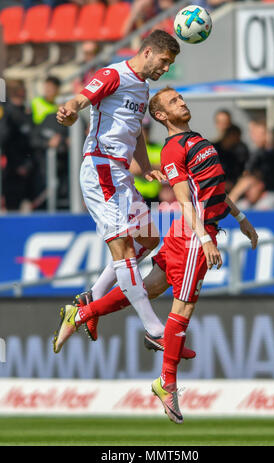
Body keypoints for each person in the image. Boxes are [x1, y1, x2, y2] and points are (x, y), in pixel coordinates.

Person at [53, 30, 181, 354]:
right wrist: (68, 111)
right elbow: (81, 99)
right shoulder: (113, 75)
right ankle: (155, 329)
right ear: (149, 51)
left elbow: (135, 132)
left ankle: (89, 299)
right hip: (100, 169)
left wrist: (146, 164)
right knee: (123, 249)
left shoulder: (143, 87)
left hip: (121, 174)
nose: (165, 69)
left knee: (150, 239)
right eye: (164, 62)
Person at [146, 86, 258, 423]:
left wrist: (241, 219)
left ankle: (85, 309)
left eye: (181, 97)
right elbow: (185, 199)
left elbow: (216, 191)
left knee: (148, 288)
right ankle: (167, 382)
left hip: (200, 230)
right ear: (161, 116)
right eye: (173, 100)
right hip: (196, 233)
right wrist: (205, 240)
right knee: (184, 304)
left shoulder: (199, 140)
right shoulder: (174, 147)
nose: (182, 101)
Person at [0, 80, 35, 211]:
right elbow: (5, 137)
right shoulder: (7, 112)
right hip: (11, 164)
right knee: (12, 202)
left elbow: (29, 138)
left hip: (26, 162)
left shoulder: (25, 112)